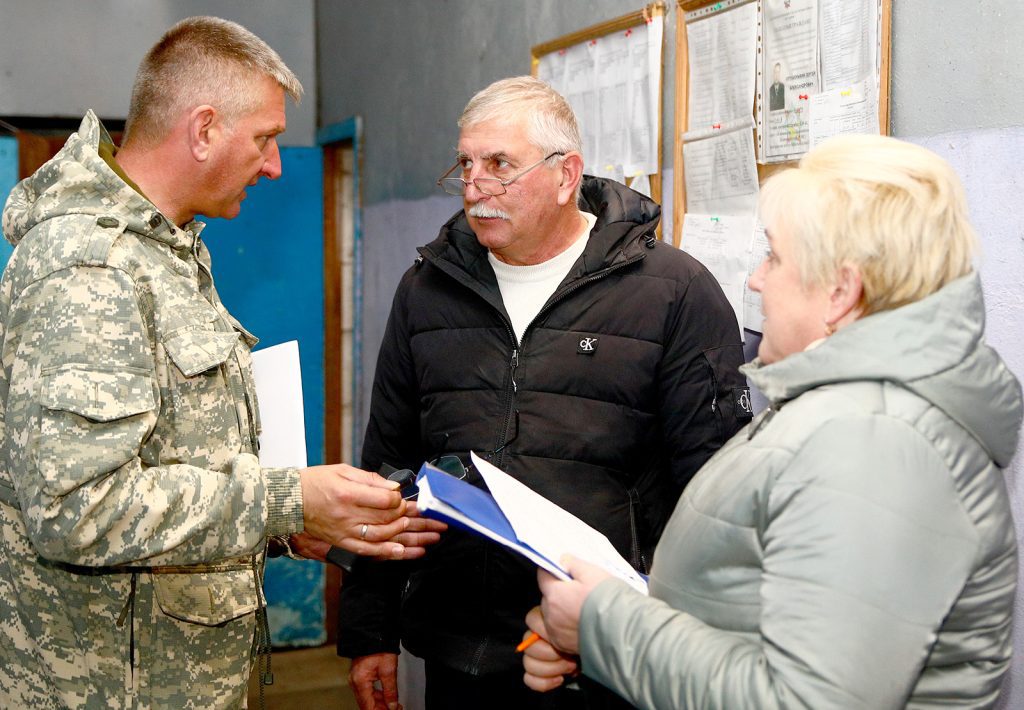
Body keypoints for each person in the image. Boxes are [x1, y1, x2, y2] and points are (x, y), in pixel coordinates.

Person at [0, 16, 441, 709]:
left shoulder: (167, 251)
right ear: (203, 129)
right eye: (265, 138)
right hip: (110, 688)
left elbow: (175, 464)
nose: (272, 165)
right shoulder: (91, 266)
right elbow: (76, 511)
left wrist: (288, 526)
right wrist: (282, 499)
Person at [522, 134, 1021, 709]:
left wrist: (601, 624)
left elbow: (807, 701)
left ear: (840, 292)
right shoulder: (844, 411)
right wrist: (595, 650)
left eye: (776, 257)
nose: (757, 279)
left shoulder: (875, 441)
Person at [337, 75, 750, 710]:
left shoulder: (673, 292)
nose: (476, 186)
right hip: (459, 648)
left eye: (500, 164)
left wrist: (690, 644)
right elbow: (387, 461)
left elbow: (712, 491)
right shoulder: (426, 289)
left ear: (566, 175)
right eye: (467, 163)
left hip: (607, 649)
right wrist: (370, 630)